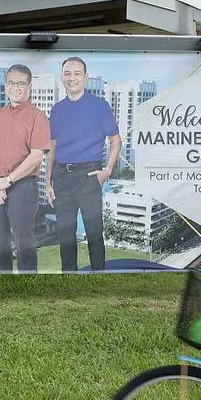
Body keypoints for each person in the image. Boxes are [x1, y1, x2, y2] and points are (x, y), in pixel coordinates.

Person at [46, 56, 122, 272]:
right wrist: (48, 181)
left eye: (77, 73)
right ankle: (69, 282)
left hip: (89, 176)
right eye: (67, 74)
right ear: (62, 78)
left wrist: (106, 171)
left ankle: (98, 280)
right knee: (65, 234)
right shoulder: (57, 110)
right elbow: (52, 147)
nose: (72, 78)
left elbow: (116, 141)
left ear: (86, 77)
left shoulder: (99, 106)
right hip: (61, 176)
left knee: (94, 233)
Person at [0, 64, 51, 273]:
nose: (16, 87)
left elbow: (36, 156)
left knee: (23, 241)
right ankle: (2, 288)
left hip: (23, 186)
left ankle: (27, 288)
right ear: (6, 86)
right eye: (12, 83)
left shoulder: (37, 117)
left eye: (21, 83)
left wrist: (8, 180)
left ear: (29, 87)